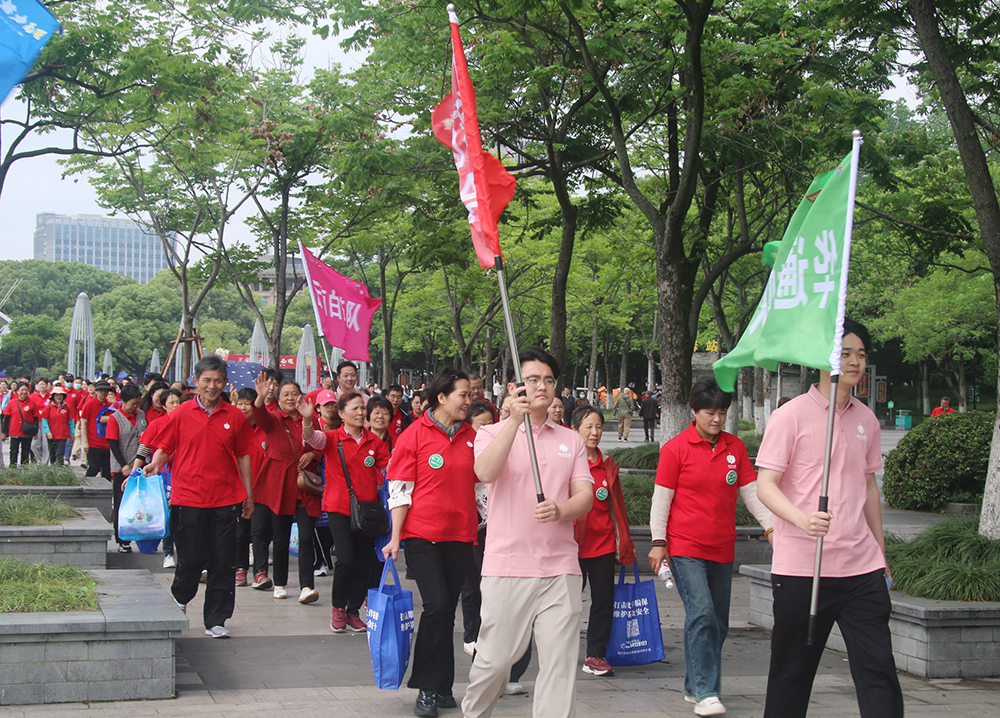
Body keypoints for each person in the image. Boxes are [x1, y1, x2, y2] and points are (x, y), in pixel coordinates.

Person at [754, 319, 903, 718]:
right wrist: (802, 520)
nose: (855, 361)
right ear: (823, 358)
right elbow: (765, 484)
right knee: (791, 675)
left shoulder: (866, 420)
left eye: (861, 354)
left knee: (879, 673)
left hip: (862, 569)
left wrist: (881, 552)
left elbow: (868, 488)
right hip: (805, 569)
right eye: (845, 353)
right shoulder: (791, 416)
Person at [462, 348, 594, 718]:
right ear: (514, 387)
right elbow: (485, 472)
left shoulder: (571, 440)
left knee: (560, 664)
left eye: (548, 380)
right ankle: (475, 712)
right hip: (507, 565)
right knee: (495, 661)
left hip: (560, 567)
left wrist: (560, 510)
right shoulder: (489, 432)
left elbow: (584, 496)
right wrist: (513, 423)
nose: (542, 387)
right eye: (533, 380)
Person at [649, 377, 773, 716]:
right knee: (701, 612)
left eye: (721, 412)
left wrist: (771, 526)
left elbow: (752, 491)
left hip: (722, 546)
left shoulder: (734, 448)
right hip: (686, 546)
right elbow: (662, 500)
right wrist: (659, 542)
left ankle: (694, 684)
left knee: (717, 622)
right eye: (709, 412)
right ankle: (706, 692)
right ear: (694, 411)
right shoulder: (676, 449)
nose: (716, 419)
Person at [383, 368, 479, 717]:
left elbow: (482, 486)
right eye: (462, 395)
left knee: (446, 610)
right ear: (442, 398)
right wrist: (395, 537)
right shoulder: (414, 435)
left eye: (470, 395)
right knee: (436, 606)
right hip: (421, 535)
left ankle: (442, 686)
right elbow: (399, 490)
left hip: (461, 535)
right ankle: (425, 688)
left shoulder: (472, 436)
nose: (468, 401)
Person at [143, 355, 256, 639]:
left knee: (222, 561)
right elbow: (165, 447)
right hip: (187, 498)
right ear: (196, 382)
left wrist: (249, 495)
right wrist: (155, 463)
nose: (212, 386)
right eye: (206, 380)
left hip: (226, 499)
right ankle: (180, 599)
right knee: (191, 559)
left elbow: (244, 457)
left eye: (218, 380)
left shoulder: (235, 417)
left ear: (225, 382)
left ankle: (216, 619)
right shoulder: (180, 413)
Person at [302, 391, 389, 633]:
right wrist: (307, 420)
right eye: (355, 409)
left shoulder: (375, 442)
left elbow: (389, 469)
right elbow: (311, 439)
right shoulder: (332, 438)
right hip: (339, 507)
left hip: (368, 511)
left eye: (363, 408)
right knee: (346, 559)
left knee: (364, 563)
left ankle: (353, 612)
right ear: (341, 414)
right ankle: (338, 607)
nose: (361, 413)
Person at [572, 404, 637, 677]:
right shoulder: (569, 464)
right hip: (572, 546)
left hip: (602, 545)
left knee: (603, 601)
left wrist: (624, 543)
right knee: (568, 604)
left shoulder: (608, 465)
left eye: (598, 426)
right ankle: (561, 652)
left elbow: (618, 508)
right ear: (575, 430)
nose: (594, 432)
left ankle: (595, 655)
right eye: (588, 426)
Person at [248, 374, 315, 600]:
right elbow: (259, 416)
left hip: (304, 485)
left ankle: (306, 586)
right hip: (280, 484)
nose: (290, 398)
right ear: (278, 398)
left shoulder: (309, 418)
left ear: (301, 397)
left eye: (294, 394)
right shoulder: (274, 418)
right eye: (285, 394)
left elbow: (323, 443)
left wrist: (314, 453)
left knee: (306, 537)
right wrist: (259, 398)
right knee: (280, 536)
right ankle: (280, 583)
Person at [107, 384, 147, 553]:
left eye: (137, 403)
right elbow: (113, 444)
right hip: (121, 467)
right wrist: (123, 465)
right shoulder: (114, 419)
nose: (135, 407)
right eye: (132, 404)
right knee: (121, 504)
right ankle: (122, 539)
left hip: (140, 466)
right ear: (122, 401)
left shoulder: (141, 415)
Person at [80, 381, 115, 482]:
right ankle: (86, 486)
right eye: (101, 390)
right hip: (93, 443)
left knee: (107, 471)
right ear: (96, 391)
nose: (103, 393)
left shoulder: (110, 406)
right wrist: (85, 442)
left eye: (105, 390)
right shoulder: (89, 404)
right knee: (94, 468)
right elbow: (84, 423)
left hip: (107, 444)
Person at [2, 382, 37, 465]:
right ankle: (13, 469)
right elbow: (6, 418)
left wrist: (35, 432)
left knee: (25, 452)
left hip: (27, 432)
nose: (24, 392)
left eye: (26, 390)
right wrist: (3, 432)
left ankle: (24, 469)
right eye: (22, 390)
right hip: (14, 432)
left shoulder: (32, 403)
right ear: (17, 391)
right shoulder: (12, 402)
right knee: (13, 451)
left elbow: (36, 418)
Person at [42, 385, 72, 466]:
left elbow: (70, 421)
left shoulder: (67, 407)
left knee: (60, 453)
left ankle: (60, 469)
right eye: (56, 395)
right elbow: (44, 420)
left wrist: (72, 433)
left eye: (60, 395)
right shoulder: (49, 406)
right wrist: (47, 432)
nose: (59, 397)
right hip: (52, 434)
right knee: (52, 454)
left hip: (63, 434)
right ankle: (53, 469)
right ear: (53, 396)